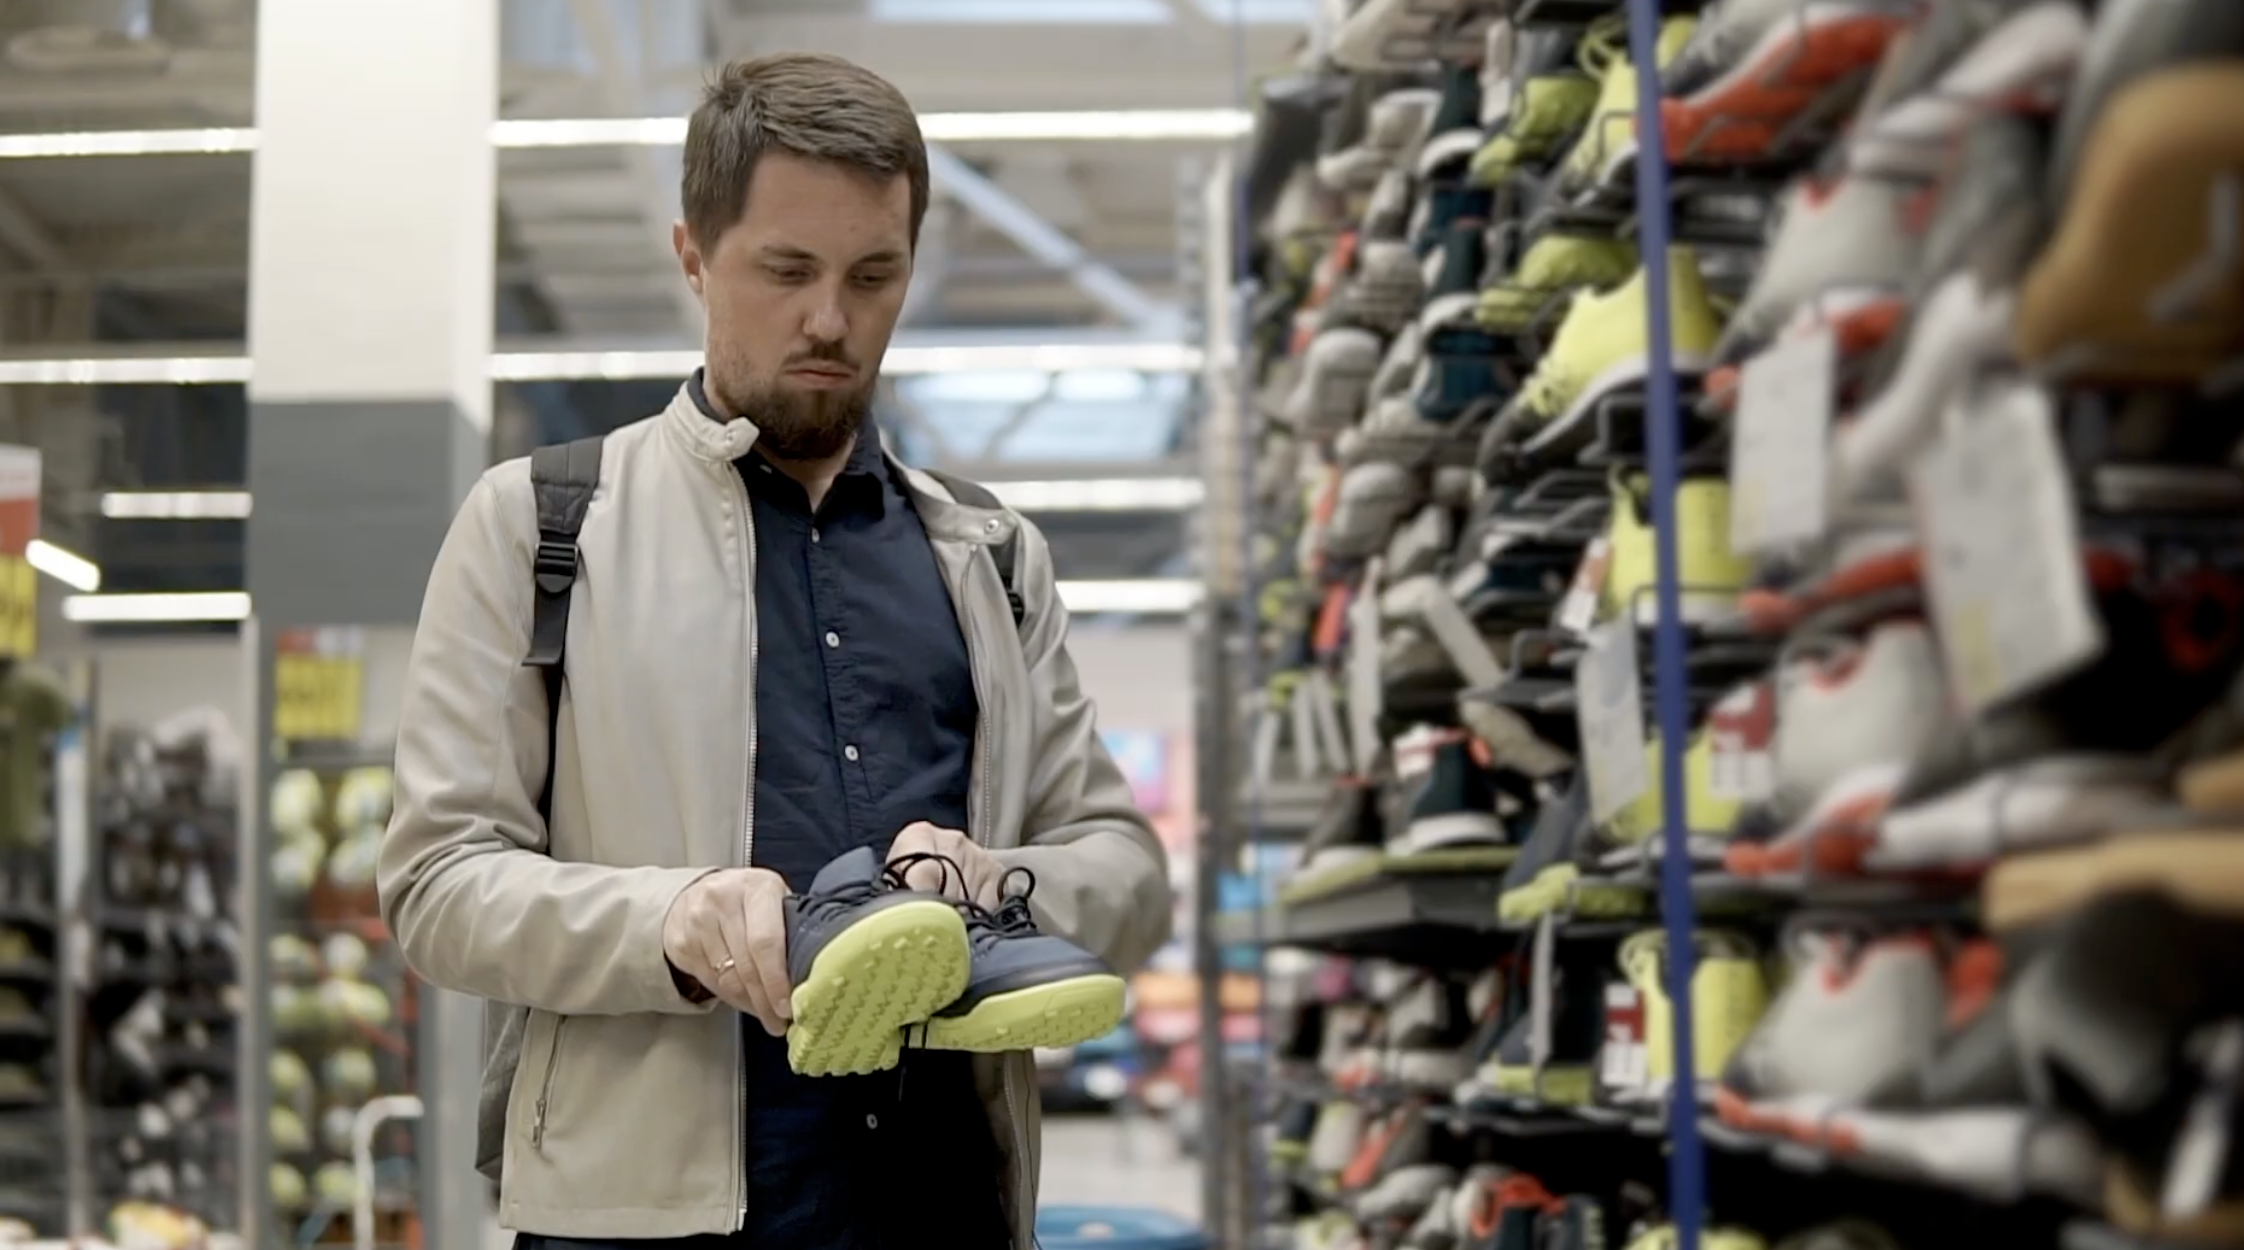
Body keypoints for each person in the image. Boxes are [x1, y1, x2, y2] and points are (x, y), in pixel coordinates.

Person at [378, 51, 1172, 1250]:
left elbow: (1125, 868)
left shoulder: (990, 557)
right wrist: (672, 919)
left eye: (874, 275)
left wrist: (995, 890)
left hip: (940, 1205)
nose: (830, 320)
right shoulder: (542, 525)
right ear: (693, 251)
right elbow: (438, 883)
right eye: (787, 270)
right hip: (641, 1222)